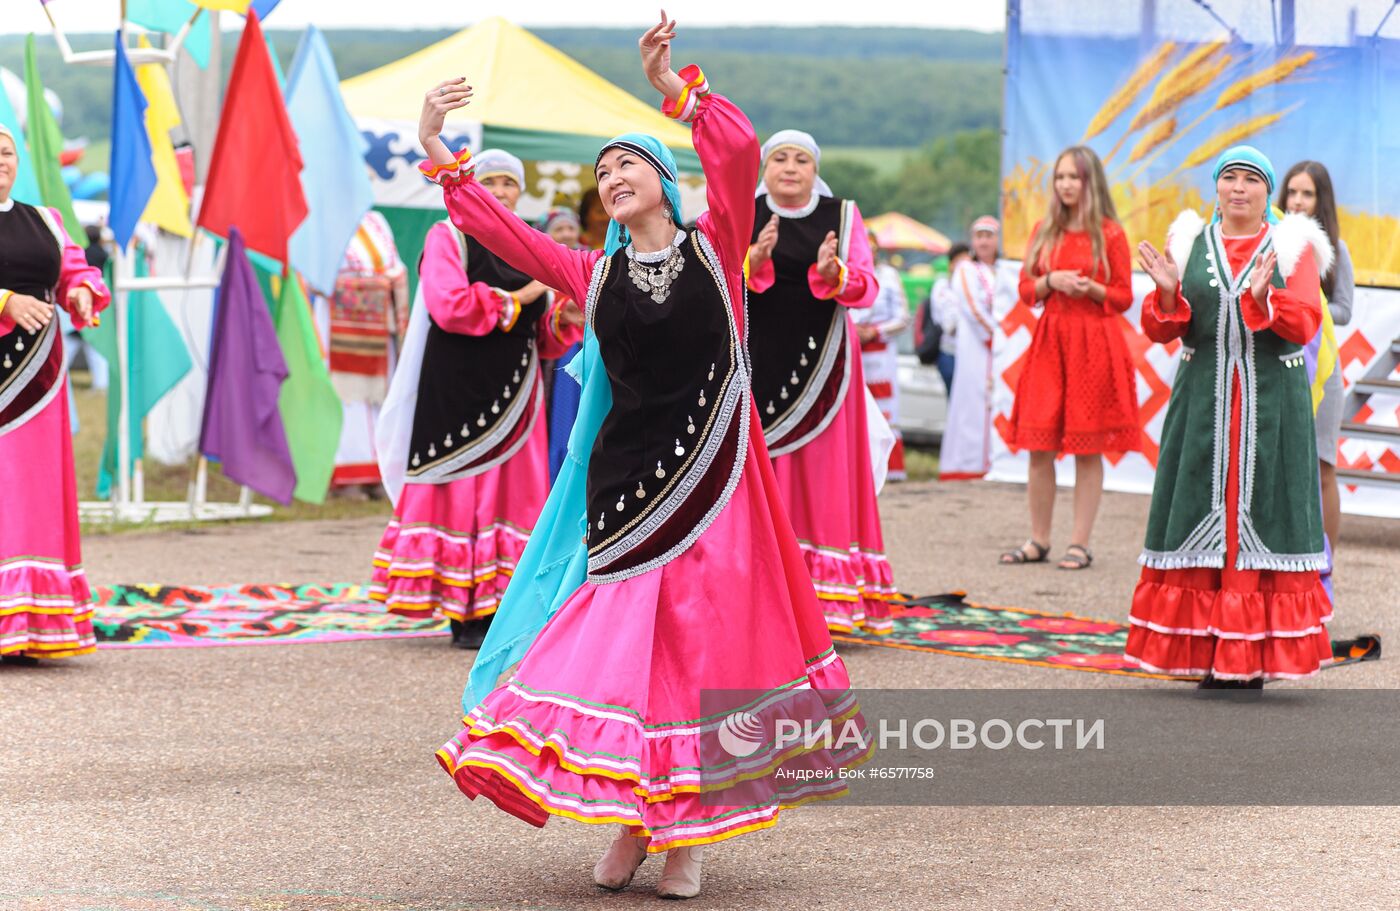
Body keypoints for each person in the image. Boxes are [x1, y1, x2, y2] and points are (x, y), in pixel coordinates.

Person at [417, 15, 867, 899]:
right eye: (601, 172)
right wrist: (438, 147)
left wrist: (675, 87)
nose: (611, 176)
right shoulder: (593, 273)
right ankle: (636, 816)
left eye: (627, 163)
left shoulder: (718, 242)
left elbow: (735, 153)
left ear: (663, 182)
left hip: (716, 484)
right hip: (626, 488)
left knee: (697, 659)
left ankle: (687, 834)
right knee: (628, 661)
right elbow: (507, 238)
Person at [1128, 145, 1332, 687]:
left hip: (1271, 409)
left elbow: (1305, 323)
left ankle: (1250, 659)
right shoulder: (1190, 242)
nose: (1238, 188)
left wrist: (1268, 299)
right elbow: (1164, 329)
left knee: (1261, 516)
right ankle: (1203, 652)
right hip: (1203, 404)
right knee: (1200, 510)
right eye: (1229, 178)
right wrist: (1168, 293)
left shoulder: (1293, 247)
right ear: (1216, 188)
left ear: (1269, 193)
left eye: (1251, 180)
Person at [371, 149, 584, 650]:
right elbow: (449, 307)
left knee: (513, 495)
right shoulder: (448, 236)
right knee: (462, 491)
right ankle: (461, 612)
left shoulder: (528, 244)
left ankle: (501, 610)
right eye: (490, 182)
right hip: (457, 390)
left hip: (517, 395)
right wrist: (524, 299)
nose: (502, 192)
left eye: (510, 183)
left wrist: (560, 318)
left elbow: (545, 336)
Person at [746, 128, 896, 635]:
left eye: (802, 160)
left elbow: (868, 287)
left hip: (825, 365)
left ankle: (824, 603)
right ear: (764, 167)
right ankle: (759, 595)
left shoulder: (843, 215)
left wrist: (835, 273)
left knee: (823, 474)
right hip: (754, 360)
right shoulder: (741, 212)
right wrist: (755, 261)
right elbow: (713, 277)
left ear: (815, 169)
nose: (790, 167)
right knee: (759, 471)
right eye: (780, 158)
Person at [0, 123, 111, 663]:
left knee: (32, 493)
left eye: (7, 152)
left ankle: (29, 624)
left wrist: (83, 292)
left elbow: (72, 270)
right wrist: (5, 301)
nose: (1, 160)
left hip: (38, 381)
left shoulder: (45, 219)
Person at [1000, 147, 1140, 569]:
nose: (1065, 184)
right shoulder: (1045, 230)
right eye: (1060, 176)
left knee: (1087, 447)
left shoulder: (1110, 234)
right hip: (1050, 341)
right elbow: (1026, 290)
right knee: (1038, 444)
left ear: (1089, 182)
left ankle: (1079, 543)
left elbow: (1123, 297)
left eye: (1073, 177)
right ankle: (1038, 539)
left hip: (1094, 344)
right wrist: (1049, 281)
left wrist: (1090, 289)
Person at [1280, 161, 1353, 561]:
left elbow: (1344, 309)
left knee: (1322, 467)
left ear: (1320, 200)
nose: (1297, 201)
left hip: (1322, 372)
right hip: (1278, 369)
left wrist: (1311, 305)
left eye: (1307, 194)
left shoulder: (1334, 249)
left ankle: (1324, 567)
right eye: (1292, 192)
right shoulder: (1272, 242)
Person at [326, 210, 410, 498]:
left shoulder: (375, 221)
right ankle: (346, 475)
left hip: (379, 324)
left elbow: (396, 265)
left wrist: (388, 280)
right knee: (347, 398)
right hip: (338, 327)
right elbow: (316, 274)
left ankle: (378, 474)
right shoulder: (320, 219)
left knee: (379, 396)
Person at [939, 217, 1006, 481]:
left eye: (989, 236)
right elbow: (971, 306)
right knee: (972, 403)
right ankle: (966, 465)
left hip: (1001, 350)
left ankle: (995, 462)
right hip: (977, 348)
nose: (984, 242)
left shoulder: (1004, 270)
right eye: (979, 237)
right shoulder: (967, 270)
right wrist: (996, 336)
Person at [854, 234, 911, 480]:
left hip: (882, 352)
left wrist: (874, 331)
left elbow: (902, 318)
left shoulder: (889, 276)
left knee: (885, 406)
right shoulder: (848, 273)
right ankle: (859, 468)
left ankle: (890, 468)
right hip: (853, 349)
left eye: (872, 246)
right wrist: (854, 331)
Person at [542, 205, 585, 481]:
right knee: (564, 418)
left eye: (571, 228)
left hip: (590, 345)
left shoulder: (587, 259)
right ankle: (559, 474)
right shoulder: (542, 265)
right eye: (559, 229)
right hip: (563, 350)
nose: (567, 234)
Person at [925, 242, 969, 394]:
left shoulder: (975, 286)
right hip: (949, 353)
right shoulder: (942, 286)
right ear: (951, 264)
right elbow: (947, 324)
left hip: (970, 354)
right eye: (959, 262)